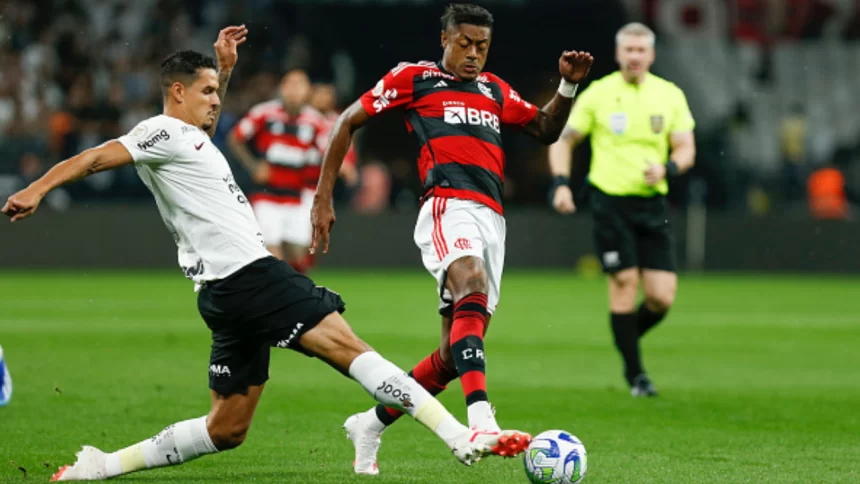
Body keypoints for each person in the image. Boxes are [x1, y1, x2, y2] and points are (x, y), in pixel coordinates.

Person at [2, 26, 526, 482]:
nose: (216, 101)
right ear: (177, 92)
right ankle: (461, 435)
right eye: (207, 91)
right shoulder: (158, 132)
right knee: (351, 349)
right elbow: (95, 158)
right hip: (250, 276)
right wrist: (38, 188)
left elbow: (202, 125)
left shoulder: (187, 137)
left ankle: (103, 464)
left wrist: (224, 71)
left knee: (227, 428)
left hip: (222, 292)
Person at [310, 3, 594, 475]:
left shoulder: (494, 89)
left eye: (482, 46)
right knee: (470, 283)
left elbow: (544, 130)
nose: (473, 54)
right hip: (447, 203)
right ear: (444, 39)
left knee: (451, 353)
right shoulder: (414, 78)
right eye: (464, 43)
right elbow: (347, 121)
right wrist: (323, 196)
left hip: (492, 217)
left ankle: (371, 424)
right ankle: (480, 418)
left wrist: (567, 86)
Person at [547, 22, 696, 397]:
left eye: (641, 50)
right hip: (609, 201)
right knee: (625, 283)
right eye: (628, 50)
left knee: (662, 297)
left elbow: (685, 148)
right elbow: (562, 140)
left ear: (651, 55)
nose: (634, 56)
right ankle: (637, 376)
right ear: (618, 54)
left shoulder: (670, 95)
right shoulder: (598, 94)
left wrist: (668, 168)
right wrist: (561, 184)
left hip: (652, 203)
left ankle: (623, 334)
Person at [228, 70, 351, 273]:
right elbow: (235, 138)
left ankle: (295, 291)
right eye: (289, 85)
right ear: (282, 89)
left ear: (306, 92)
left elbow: (328, 150)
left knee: (300, 255)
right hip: (266, 195)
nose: (293, 90)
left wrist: (342, 165)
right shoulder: (264, 113)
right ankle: (282, 296)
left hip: (296, 197)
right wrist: (253, 166)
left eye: (299, 85)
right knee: (272, 253)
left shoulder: (315, 122)